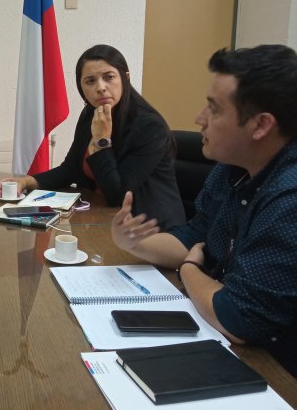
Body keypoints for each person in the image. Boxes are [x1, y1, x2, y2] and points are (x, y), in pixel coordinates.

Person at [111, 44, 297, 376]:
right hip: (228, 345)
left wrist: (189, 271)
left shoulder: (289, 198)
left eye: (214, 108)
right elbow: (196, 236)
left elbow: (240, 319)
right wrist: (131, 243)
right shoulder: (234, 168)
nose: (199, 118)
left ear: (260, 125)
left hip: (276, 377)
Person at [1, 44, 185, 230]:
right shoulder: (91, 114)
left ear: (125, 78)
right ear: (81, 88)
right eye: (90, 81)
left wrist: (101, 140)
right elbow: (70, 169)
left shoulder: (149, 126)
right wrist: (26, 181)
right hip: (102, 219)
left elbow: (117, 195)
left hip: (150, 230)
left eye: (109, 77)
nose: (101, 88)